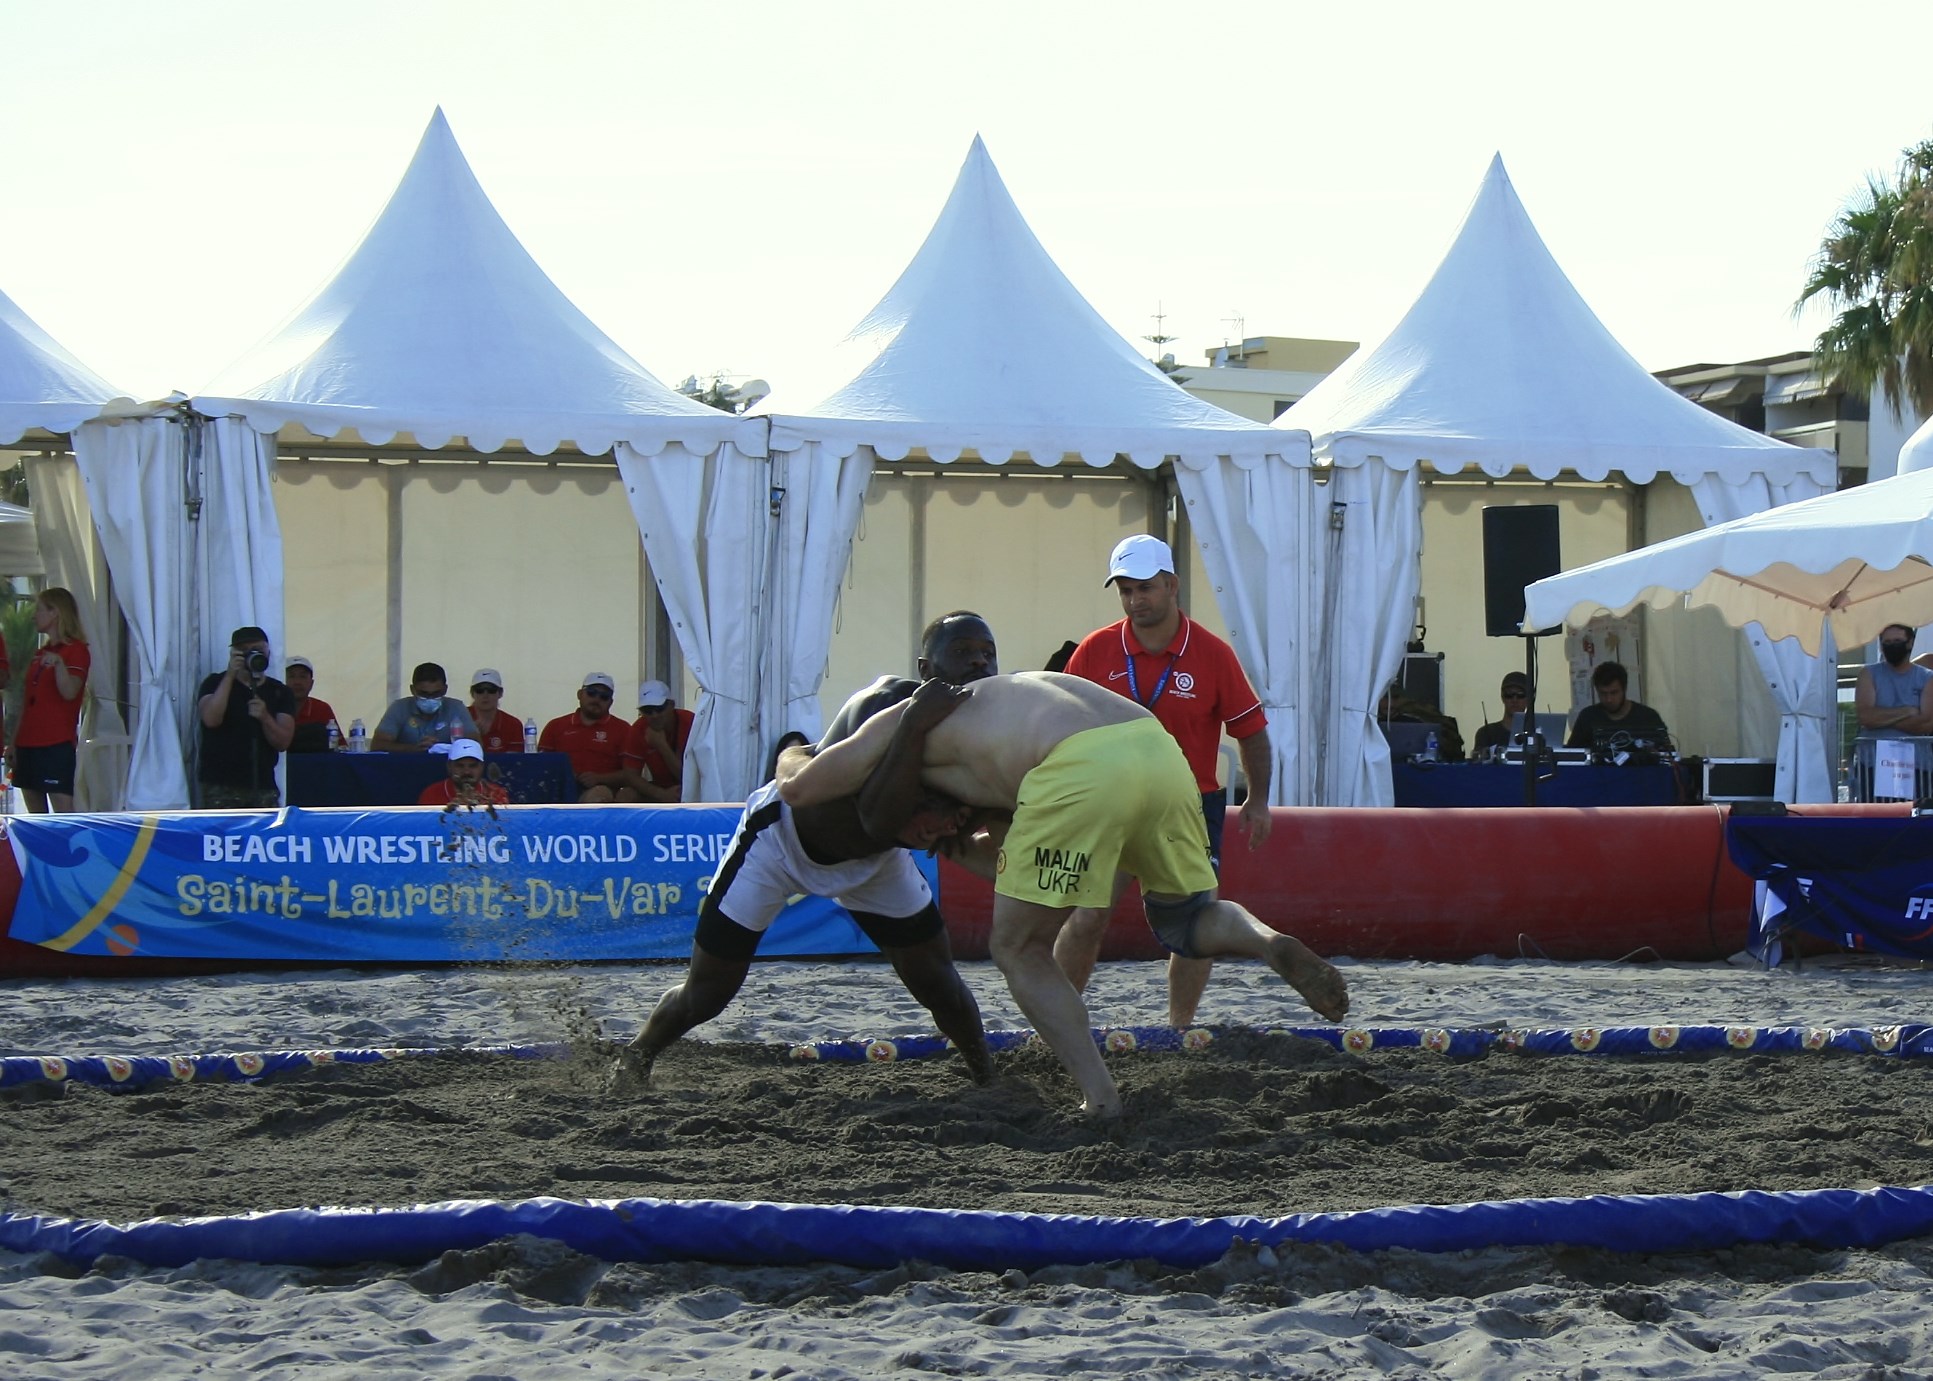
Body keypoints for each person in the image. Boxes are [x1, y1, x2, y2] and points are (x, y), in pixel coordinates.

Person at [779, 671, 1350, 1120]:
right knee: (1186, 920)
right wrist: (953, 845)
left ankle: (1100, 1100)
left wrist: (792, 748)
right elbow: (1013, 867)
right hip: (1157, 750)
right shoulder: (992, 719)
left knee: (1018, 948)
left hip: (1076, 766)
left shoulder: (894, 725)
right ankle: (1267, 941)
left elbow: (800, 788)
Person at [614, 682, 993, 1093]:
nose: (949, 825)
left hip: (876, 862)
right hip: (776, 844)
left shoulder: (952, 752)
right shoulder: (860, 743)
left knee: (938, 981)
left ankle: (987, 1076)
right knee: (707, 994)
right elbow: (798, 775)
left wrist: (962, 819)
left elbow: (970, 826)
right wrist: (793, 751)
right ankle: (637, 1055)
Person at [1056, 534, 1271, 1029]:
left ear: (1172, 585)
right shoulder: (1095, 650)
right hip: (1109, 804)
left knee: (1193, 925)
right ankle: (1057, 1024)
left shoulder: (1212, 654)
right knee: (1085, 916)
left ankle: (1180, 1029)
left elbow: (1251, 732)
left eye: (1145, 588)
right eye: (1126, 590)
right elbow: (1059, 724)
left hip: (1187, 808)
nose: (1135, 600)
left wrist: (1258, 801)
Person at [7, 587, 89, 813]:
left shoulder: (76, 650)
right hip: (27, 742)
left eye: (39, 610)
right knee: (34, 815)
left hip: (54, 743)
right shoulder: (40, 653)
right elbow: (27, 703)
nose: (34, 616)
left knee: (63, 812)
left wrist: (60, 666)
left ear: (55, 613)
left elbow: (70, 692)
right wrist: (13, 742)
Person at [196, 625, 297, 809]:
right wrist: (230, 675)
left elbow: (283, 742)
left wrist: (265, 717)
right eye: (244, 650)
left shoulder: (280, 691)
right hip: (220, 786)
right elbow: (211, 719)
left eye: (257, 649)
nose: (251, 655)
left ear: (268, 652)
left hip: (263, 785)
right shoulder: (214, 683)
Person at [540, 672, 641, 802]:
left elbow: (632, 774)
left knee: (601, 794)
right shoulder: (555, 726)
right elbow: (541, 765)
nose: (597, 699)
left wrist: (599, 778)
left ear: (611, 702)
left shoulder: (623, 729)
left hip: (602, 792)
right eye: (591, 693)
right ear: (579, 694)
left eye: (604, 696)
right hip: (558, 792)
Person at [372, 662, 478, 752]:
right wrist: (413, 749)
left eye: (436, 694)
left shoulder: (456, 708)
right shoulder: (399, 708)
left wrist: (444, 748)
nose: (430, 699)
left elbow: (476, 744)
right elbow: (377, 745)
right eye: (424, 694)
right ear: (412, 689)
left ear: (445, 689)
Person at [1567, 660, 1669, 752]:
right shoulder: (1587, 717)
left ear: (1624, 689)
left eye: (1614, 693)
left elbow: (1667, 756)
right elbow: (1571, 756)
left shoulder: (1648, 717)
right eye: (1603, 693)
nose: (1609, 699)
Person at [623, 679, 693, 804]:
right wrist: (661, 794)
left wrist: (661, 746)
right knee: (626, 795)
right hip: (661, 788)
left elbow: (690, 779)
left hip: (692, 786)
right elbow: (631, 776)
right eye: (648, 710)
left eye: (659, 708)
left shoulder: (691, 723)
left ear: (671, 705)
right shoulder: (638, 728)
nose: (654, 715)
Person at [416, 737, 509, 809]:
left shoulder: (496, 793)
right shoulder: (431, 794)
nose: (466, 771)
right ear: (449, 766)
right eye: (460, 766)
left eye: (473, 766)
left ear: (482, 767)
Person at [284, 656, 341, 753]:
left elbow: (339, 746)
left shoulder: (322, 709)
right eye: (291, 676)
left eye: (303, 676)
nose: (297, 682)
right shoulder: (272, 707)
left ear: (311, 683)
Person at [1471, 671, 1532, 760]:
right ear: (1502, 697)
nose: (1514, 700)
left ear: (1528, 699)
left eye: (1520, 695)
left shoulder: (1534, 735)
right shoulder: (1486, 734)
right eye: (1509, 695)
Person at [465, 668, 523, 754]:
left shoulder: (513, 724)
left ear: (500, 693)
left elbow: (514, 759)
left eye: (491, 690)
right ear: (472, 693)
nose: (485, 695)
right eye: (479, 690)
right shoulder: (459, 718)